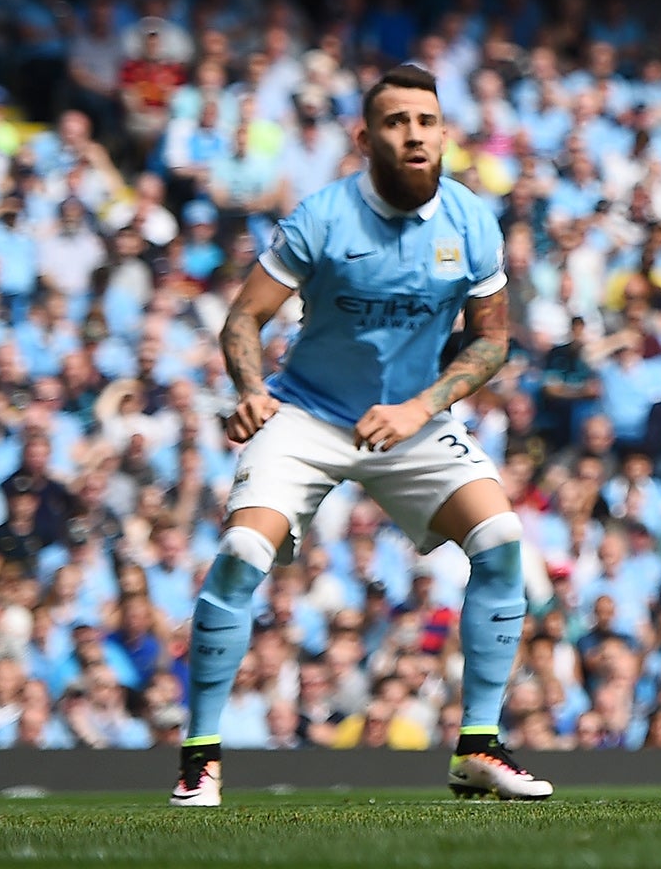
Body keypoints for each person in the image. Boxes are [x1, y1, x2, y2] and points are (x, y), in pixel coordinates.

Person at [173, 66, 550, 806]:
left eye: (426, 120)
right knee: (242, 552)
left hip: (410, 421)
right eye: (396, 121)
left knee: (502, 542)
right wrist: (250, 391)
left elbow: (492, 342)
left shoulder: (473, 221)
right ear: (365, 137)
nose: (414, 133)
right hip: (307, 414)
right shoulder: (321, 217)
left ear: (445, 134)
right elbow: (243, 318)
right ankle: (200, 756)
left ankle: (477, 749)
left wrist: (421, 407)